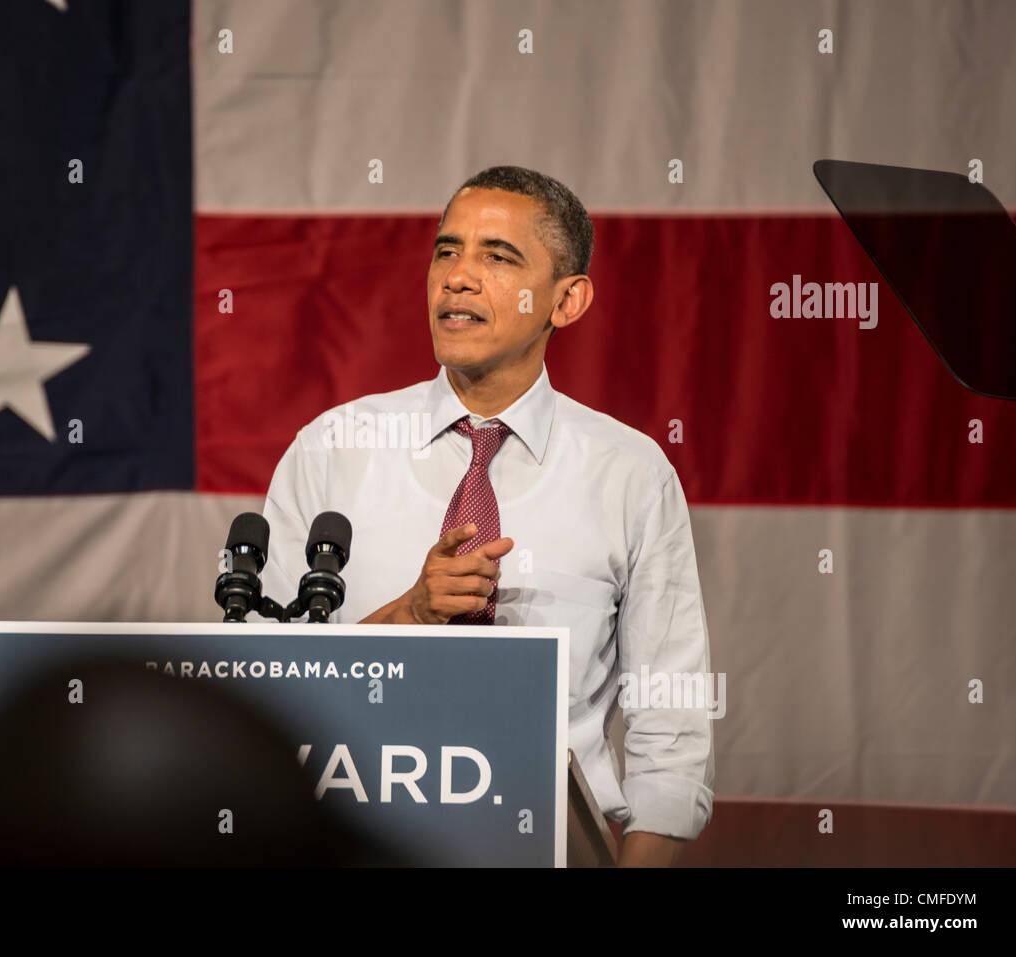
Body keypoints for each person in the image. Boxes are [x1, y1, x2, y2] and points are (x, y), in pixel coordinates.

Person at [260, 165, 714, 866]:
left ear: (568, 300)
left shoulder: (631, 473)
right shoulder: (332, 449)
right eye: (447, 251)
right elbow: (264, 686)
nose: (458, 277)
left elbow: (672, 732)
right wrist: (409, 614)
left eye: (498, 257)